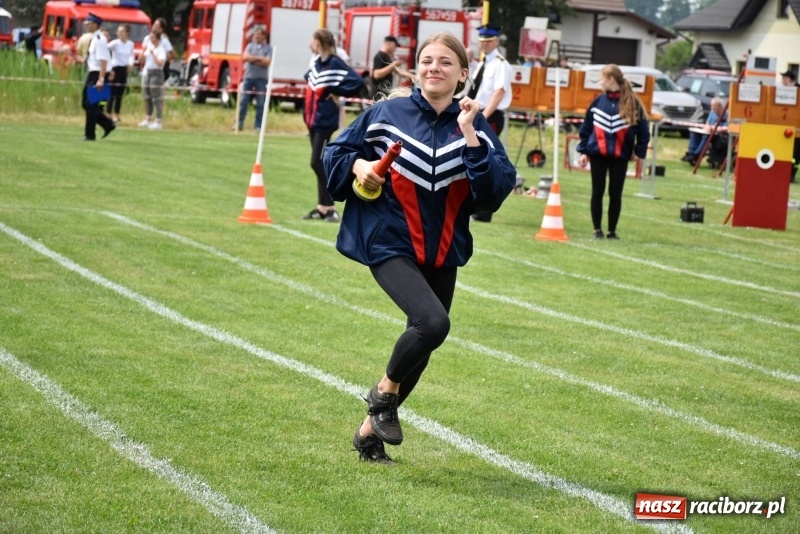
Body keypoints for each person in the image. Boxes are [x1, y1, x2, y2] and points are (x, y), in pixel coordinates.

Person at [324, 32, 516, 464]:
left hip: (442, 247)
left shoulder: (474, 124)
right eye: (427, 60)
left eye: (446, 62)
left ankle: (369, 433)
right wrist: (362, 166)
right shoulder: (386, 112)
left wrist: (469, 135)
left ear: (463, 74)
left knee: (425, 345)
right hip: (389, 241)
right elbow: (336, 152)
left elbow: (493, 192)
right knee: (432, 322)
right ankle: (383, 394)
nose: (435, 68)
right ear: (416, 68)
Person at [577, 64, 649, 240]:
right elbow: (586, 128)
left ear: (611, 80)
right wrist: (584, 151)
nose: (600, 82)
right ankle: (597, 230)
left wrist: (639, 152)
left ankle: (611, 231)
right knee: (597, 192)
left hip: (620, 157)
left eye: (602, 78)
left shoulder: (632, 103)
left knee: (615, 194)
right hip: (597, 155)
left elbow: (644, 131)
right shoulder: (597, 102)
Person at [302, 29, 364, 222]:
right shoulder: (317, 63)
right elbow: (308, 78)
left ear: (319, 42)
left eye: (313, 40)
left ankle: (331, 207)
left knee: (316, 162)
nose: (311, 43)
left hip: (325, 120)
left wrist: (337, 91)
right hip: (312, 119)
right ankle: (322, 208)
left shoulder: (335, 62)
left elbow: (357, 81)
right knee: (318, 162)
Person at [467, 24, 512, 223]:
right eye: (482, 40)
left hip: (489, 115)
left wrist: (483, 116)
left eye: (488, 41)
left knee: (487, 158)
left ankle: (485, 208)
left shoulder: (501, 64)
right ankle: (476, 204)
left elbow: (499, 92)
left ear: (496, 41)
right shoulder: (482, 64)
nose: (484, 44)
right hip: (476, 113)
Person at [80, 13, 115, 141]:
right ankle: (108, 124)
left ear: (95, 24)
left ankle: (90, 134)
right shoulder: (94, 38)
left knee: (91, 105)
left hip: (97, 74)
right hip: (92, 73)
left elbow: (104, 60)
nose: (86, 26)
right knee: (86, 104)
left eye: (89, 24)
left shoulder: (99, 39)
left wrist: (101, 79)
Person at [236, 26, 272, 131]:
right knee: (244, 101)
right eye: (255, 34)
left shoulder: (268, 48)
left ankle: (258, 126)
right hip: (248, 77)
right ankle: (239, 123)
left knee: (260, 103)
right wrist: (260, 59)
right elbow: (246, 57)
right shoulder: (250, 46)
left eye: (258, 34)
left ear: (263, 36)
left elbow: (267, 62)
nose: (256, 36)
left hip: (261, 78)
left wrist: (253, 59)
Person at [681, 96, 728, 166]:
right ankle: (691, 152)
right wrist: (707, 127)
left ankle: (696, 154)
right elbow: (707, 124)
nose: (712, 108)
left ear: (719, 106)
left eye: (713, 106)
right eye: (711, 105)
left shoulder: (727, 115)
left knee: (707, 136)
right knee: (694, 133)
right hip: (709, 132)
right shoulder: (712, 113)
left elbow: (727, 128)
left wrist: (713, 128)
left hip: (720, 136)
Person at [138, 31, 167, 130]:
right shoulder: (148, 47)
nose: (151, 40)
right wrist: (143, 51)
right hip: (147, 72)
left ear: (157, 39)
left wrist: (153, 54)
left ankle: (158, 120)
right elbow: (140, 60)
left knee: (156, 98)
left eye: (153, 38)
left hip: (156, 73)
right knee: (147, 97)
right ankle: (148, 118)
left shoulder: (160, 49)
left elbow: (160, 63)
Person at [107, 24, 135, 124]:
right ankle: (108, 114)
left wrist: (130, 64)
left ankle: (117, 114)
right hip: (115, 69)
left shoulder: (130, 44)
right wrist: (108, 66)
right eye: (118, 31)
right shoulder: (114, 43)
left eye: (122, 32)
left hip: (124, 69)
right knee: (112, 93)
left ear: (127, 33)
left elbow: (131, 55)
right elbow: (105, 51)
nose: (120, 34)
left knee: (119, 94)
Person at [370, 35, 412, 100]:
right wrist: (394, 64)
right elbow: (376, 75)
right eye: (395, 46)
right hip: (378, 93)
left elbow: (397, 71)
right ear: (388, 43)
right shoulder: (380, 56)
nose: (395, 49)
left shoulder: (386, 57)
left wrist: (413, 76)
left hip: (385, 92)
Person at [780, 70, 799, 183]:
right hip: (784, 126)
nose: (783, 80)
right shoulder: (782, 91)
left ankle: (791, 175)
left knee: (795, 154)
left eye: (785, 78)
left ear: (790, 80)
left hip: (797, 129)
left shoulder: (798, 91)